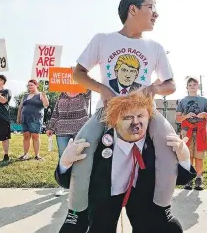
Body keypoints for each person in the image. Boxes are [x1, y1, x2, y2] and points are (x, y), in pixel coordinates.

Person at [67, 0, 180, 216]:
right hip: (108, 110)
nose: (156, 14)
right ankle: (75, 212)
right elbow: (78, 73)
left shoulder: (155, 47)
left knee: (169, 144)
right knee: (83, 145)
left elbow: (171, 84)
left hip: (144, 112)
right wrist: (102, 89)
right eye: (151, 7)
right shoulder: (103, 39)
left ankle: (162, 208)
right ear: (133, 9)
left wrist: (154, 89)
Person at [55, 93, 196, 232]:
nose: (136, 123)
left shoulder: (156, 147)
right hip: (105, 196)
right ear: (114, 120)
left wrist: (184, 157)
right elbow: (69, 182)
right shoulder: (98, 145)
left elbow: (178, 178)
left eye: (140, 116)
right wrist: (65, 163)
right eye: (128, 117)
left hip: (142, 196)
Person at [47, 89, 91, 196]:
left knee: (80, 159)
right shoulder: (61, 94)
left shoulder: (84, 93)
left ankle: (79, 186)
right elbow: (55, 113)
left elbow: (88, 85)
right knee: (63, 158)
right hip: (62, 130)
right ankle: (62, 185)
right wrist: (50, 127)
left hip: (80, 131)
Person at [176, 77, 207, 190]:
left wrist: (204, 114)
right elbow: (178, 119)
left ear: (198, 86)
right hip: (187, 131)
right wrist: (186, 116)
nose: (192, 86)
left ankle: (199, 178)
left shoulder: (204, 101)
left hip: (200, 131)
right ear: (187, 87)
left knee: (199, 157)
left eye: (194, 84)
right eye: (190, 85)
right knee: (188, 155)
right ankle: (189, 178)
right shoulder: (182, 101)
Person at [17, 79, 49, 161]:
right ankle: (25, 154)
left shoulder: (41, 94)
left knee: (35, 136)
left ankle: (37, 155)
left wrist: (44, 95)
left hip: (36, 119)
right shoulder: (25, 95)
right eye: (28, 85)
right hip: (25, 119)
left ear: (36, 85)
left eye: (31, 85)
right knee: (26, 136)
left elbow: (46, 105)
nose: (29, 87)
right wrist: (18, 117)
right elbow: (20, 107)